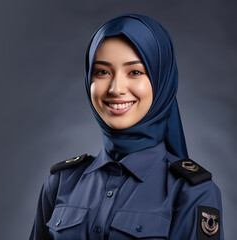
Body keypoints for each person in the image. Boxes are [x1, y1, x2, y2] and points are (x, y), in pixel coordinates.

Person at [29, 14, 224, 240]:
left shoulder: (193, 192)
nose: (115, 88)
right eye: (102, 71)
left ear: (162, 81)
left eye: (135, 72)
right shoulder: (61, 183)